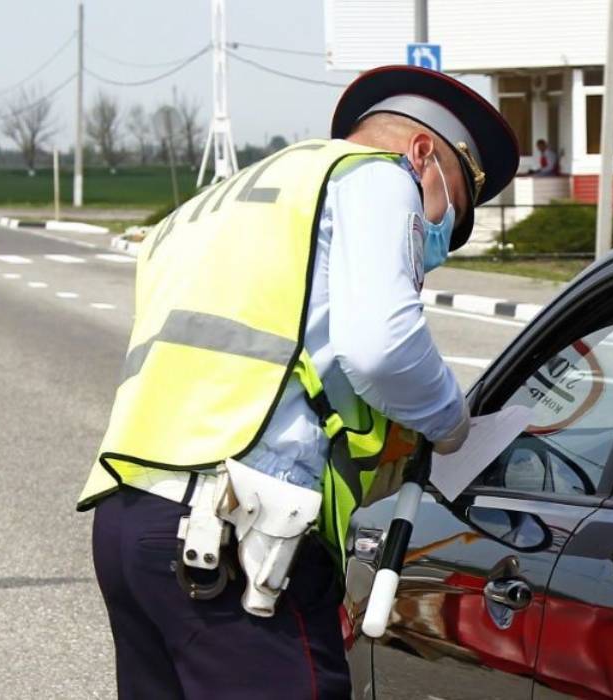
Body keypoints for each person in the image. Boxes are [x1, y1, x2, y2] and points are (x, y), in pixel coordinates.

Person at [75, 65, 518, 699]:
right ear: (421, 155)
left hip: (130, 521)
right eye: (453, 209)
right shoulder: (377, 177)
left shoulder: (219, 202)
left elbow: (279, 358)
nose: (442, 240)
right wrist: (451, 424)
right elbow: (382, 348)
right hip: (233, 540)